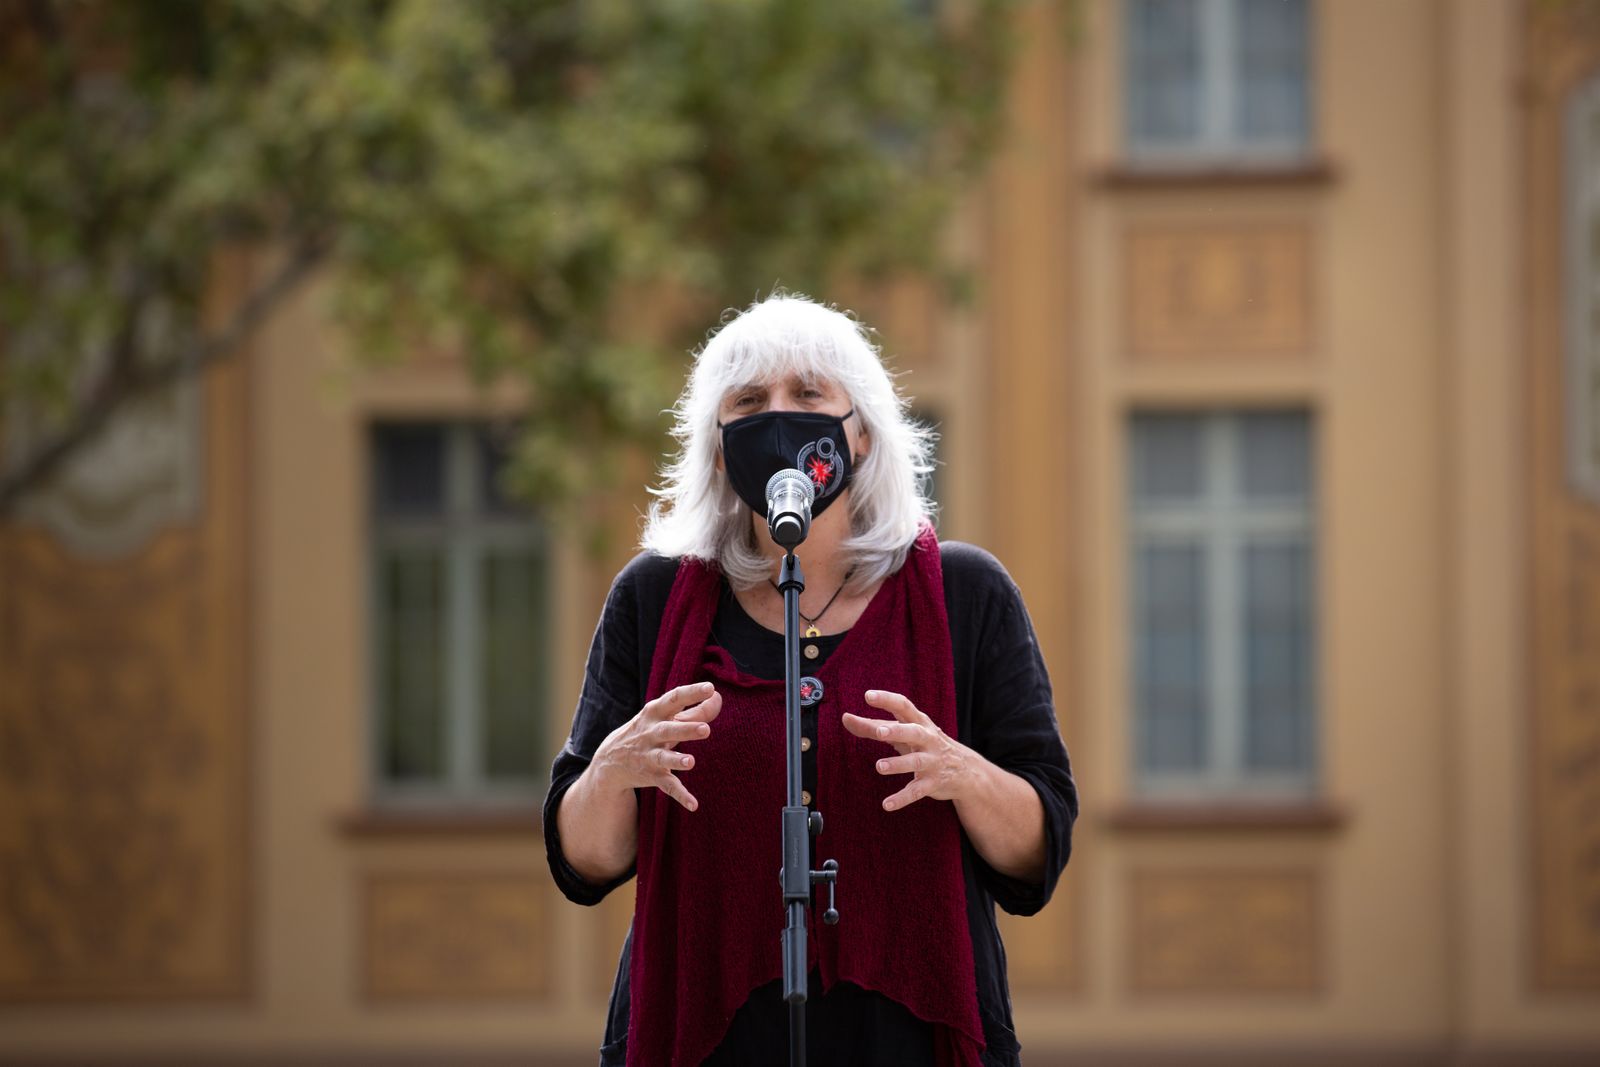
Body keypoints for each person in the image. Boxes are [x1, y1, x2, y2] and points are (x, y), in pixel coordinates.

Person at [543, 294, 1077, 1067]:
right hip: (709, 1041)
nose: (781, 418)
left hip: (906, 1042)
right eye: (751, 403)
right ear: (722, 450)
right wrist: (611, 772)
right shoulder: (653, 600)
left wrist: (964, 773)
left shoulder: (966, 596)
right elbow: (582, 861)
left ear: (860, 434)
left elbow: (1038, 852)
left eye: (809, 395)